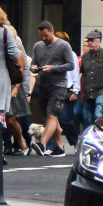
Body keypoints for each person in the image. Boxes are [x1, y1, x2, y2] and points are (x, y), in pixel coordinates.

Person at [29, 21, 76, 156]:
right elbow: (33, 62)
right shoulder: (38, 46)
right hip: (43, 84)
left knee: (52, 114)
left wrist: (52, 68)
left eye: (46, 35)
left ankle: (42, 144)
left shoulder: (63, 45)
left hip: (59, 85)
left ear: (52, 31)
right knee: (51, 117)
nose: (44, 39)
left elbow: (70, 65)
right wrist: (33, 67)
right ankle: (60, 147)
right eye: (41, 36)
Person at [78, 30, 103, 129]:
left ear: (98, 41)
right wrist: (82, 92)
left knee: (98, 112)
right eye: (88, 41)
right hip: (89, 90)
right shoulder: (85, 57)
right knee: (87, 117)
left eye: (92, 40)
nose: (89, 43)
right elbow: (83, 76)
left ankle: (101, 132)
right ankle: (90, 137)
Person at [2, 24, 31, 155]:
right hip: (2, 85)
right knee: (4, 118)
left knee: (12, 119)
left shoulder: (17, 48)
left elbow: (22, 71)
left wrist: (18, 88)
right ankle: (8, 144)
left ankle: (21, 140)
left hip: (14, 85)